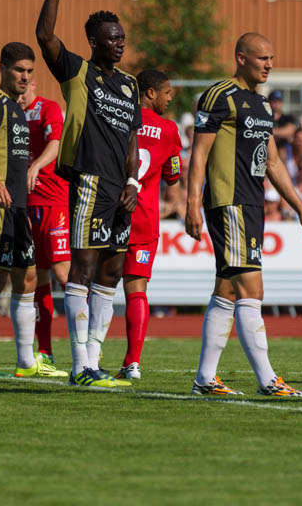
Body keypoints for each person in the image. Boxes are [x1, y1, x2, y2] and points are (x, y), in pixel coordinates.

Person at [185, 32, 302, 397]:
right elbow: (198, 154)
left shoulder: (261, 105)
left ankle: (205, 379)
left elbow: (272, 161)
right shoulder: (218, 96)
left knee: (227, 290)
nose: (269, 65)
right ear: (241, 58)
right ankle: (267, 379)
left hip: (252, 204)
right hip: (229, 203)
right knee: (252, 288)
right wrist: (192, 203)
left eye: (272, 58)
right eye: (262, 58)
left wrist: (300, 208)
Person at [35, 0, 139, 388]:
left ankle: (95, 361)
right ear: (93, 41)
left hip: (121, 188)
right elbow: (44, 35)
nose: (118, 44)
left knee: (111, 271)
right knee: (82, 267)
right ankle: (80, 365)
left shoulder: (131, 85)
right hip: (89, 182)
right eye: (110, 38)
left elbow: (133, 137)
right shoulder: (78, 71)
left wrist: (134, 180)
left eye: (121, 38)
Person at [0, 42, 66, 379]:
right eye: (19, 70)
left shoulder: (15, 108)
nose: (24, 76)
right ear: (3, 68)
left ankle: (26, 362)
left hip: (19, 206)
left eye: (29, 71)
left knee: (29, 278)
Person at [106, 69, 182, 380]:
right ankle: (132, 362)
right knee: (136, 290)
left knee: (98, 286)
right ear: (149, 93)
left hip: (111, 213)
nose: (170, 98)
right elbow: (173, 176)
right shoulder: (169, 129)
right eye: (166, 92)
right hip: (144, 218)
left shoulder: (117, 118)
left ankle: (87, 357)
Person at [20, 78, 70, 365]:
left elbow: (55, 141)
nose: (22, 91)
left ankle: (88, 346)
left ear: (34, 83)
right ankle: (45, 351)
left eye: (27, 83)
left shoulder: (47, 108)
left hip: (54, 203)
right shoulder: (10, 111)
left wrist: (37, 164)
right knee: (35, 278)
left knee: (64, 275)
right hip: (26, 206)